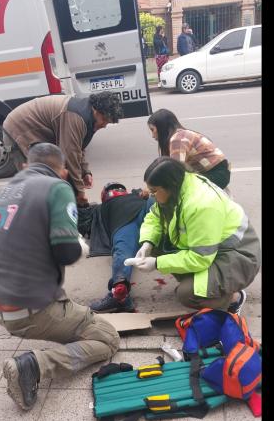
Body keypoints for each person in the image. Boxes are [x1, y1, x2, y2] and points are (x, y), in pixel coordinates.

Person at [0, 143, 120, 411]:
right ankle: (34, 366)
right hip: (25, 308)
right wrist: (80, 245)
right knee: (107, 338)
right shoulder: (56, 187)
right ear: (63, 172)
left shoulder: (3, 191)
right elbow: (66, 252)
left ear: (25, 166)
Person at [132, 157, 260, 313]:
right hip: (211, 250)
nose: (151, 196)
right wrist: (147, 243)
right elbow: (155, 217)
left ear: (170, 185)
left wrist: (157, 263)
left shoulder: (202, 205)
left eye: (154, 191)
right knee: (156, 245)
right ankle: (203, 285)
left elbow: (200, 258)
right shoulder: (178, 185)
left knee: (187, 295)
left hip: (237, 256)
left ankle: (233, 299)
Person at [2, 91, 124, 206]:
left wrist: (85, 172)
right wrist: (80, 192)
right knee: (35, 183)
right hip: (18, 129)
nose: (104, 125)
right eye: (104, 120)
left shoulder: (88, 114)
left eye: (107, 123)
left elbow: (77, 147)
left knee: (52, 180)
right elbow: (70, 155)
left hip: (35, 130)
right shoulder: (76, 117)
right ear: (97, 111)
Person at [79, 182, 155, 313]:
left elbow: (82, 223)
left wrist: (82, 205)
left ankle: (120, 295)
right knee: (123, 249)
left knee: (123, 251)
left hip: (127, 223)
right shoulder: (139, 196)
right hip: (140, 215)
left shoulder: (100, 208)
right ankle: (120, 294)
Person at [147, 108, 232, 190]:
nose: (152, 135)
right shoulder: (180, 134)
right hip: (217, 171)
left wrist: (153, 188)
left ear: (162, 127)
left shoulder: (177, 139)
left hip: (216, 174)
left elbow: (173, 171)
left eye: (152, 130)